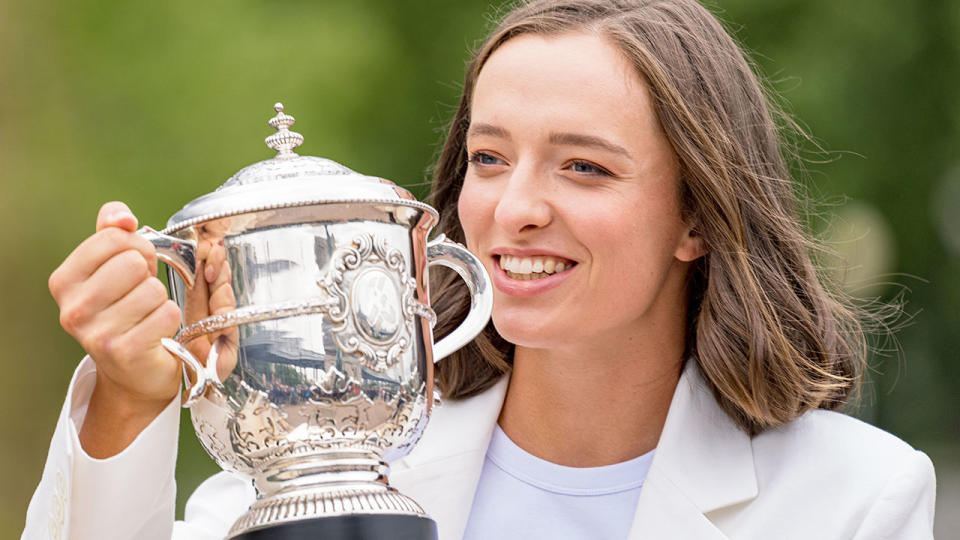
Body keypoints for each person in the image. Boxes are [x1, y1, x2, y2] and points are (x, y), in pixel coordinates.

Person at [24, 0, 937, 539]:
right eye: (491, 159)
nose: (515, 207)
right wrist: (126, 404)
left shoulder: (856, 496)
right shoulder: (330, 456)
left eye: (584, 166)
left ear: (696, 216)